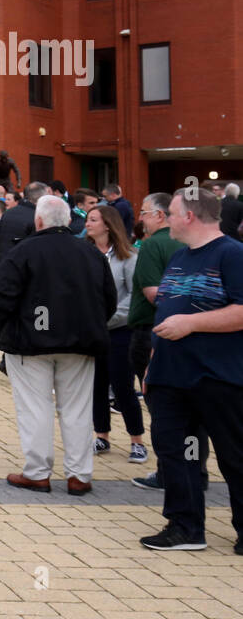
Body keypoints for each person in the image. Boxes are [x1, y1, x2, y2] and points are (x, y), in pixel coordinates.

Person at [140, 189, 243, 553]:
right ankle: (184, 527)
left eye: (170, 213)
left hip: (219, 378)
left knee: (234, 456)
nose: (165, 219)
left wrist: (192, 323)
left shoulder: (232, 254)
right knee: (176, 454)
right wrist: (153, 366)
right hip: (171, 378)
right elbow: (166, 313)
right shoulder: (180, 257)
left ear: (190, 216)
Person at [0, 195, 116, 494]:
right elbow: (109, 298)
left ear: (38, 221)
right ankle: (79, 475)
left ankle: (37, 472)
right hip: (80, 341)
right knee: (77, 408)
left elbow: (2, 296)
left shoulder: (23, 251)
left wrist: (6, 330)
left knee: (35, 408)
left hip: (30, 343)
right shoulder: (90, 253)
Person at [129, 193, 196, 492]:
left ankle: (168, 473)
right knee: (190, 410)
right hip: (190, 335)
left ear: (159, 215)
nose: (139, 218)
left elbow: (153, 293)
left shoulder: (153, 245)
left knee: (161, 407)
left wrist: (176, 312)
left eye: (143, 212)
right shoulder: (192, 243)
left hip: (153, 331)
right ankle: (193, 471)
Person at [84, 204, 145, 462]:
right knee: (96, 387)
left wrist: (109, 318)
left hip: (120, 332)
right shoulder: (84, 254)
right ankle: (102, 436)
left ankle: (137, 440)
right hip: (91, 332)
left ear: (107, 225)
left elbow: (134, 295)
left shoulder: (128, 257)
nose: (87, 223)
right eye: (87, 219)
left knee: (122, 388)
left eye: (93, 219)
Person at [0, 181, 46, 261]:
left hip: (4, 265)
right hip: (24, 266)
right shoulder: (36, 216)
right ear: (40, 197)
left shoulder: (7, 214)